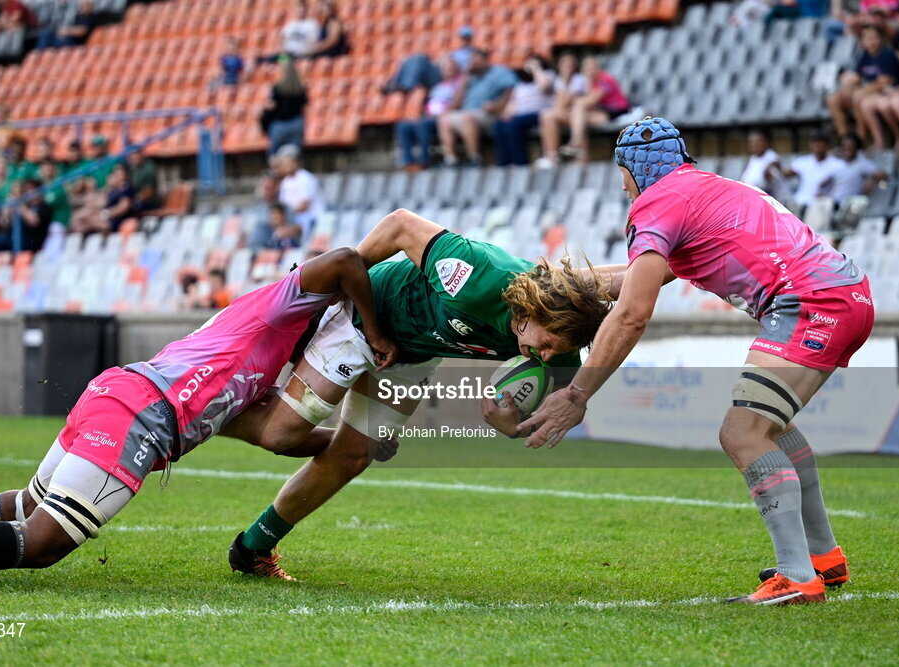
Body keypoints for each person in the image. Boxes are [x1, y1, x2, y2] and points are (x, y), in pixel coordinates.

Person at [519, 117, 871, 605]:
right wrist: (553, 282)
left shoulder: (656, 202)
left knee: (742, 434)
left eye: (621, 171)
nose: (621, 184)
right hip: (842, 293)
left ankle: (797, 576)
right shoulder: (700, 189)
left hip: (810, 304)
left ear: (635, 168)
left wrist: (578, 392)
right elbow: (638, 276)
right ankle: (822, 557)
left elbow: (633, 312)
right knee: (773, 429)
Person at [0, 248, 397, 579]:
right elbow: (347, 260)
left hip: (118, 395)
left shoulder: (266, 358)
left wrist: (355, 441)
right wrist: (373, 331)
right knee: (44, 543)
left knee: (31, 507)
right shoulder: (278, 304)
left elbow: (277, 438)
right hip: (143, 414)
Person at [218, 209, 614, 579]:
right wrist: (333, 290)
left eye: (555, 353)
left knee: (355, 454)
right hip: (362, 320)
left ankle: (253, 548)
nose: (546, 357)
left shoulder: (559, 349)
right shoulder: (482, 277)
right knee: (280, 435)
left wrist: (510, 427)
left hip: (413, 356)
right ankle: (202, 412)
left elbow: (553, 411)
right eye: (547, 344)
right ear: (533, 310)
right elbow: (401, 225)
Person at [437, 49, 519, 166]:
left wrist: (498, 105)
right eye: (473, 61)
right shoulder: (470, 77)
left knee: (467, 117)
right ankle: (451, 159)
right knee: (444, 119)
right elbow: (456, 104)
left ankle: (474, 158)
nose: (475, 64)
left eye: (478, 61)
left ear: (486, 60)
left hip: (490, 114)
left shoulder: (500, 72)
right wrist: (464, 80)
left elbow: (512, 91)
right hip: (468, 113)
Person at [827, 24, 899, 141]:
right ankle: (844, 137)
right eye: (866, 38)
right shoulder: (864, 56)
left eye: (873, 37)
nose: (870, 41)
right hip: (866, 90)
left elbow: (883, 82)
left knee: (858, 97)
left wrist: (860, 91)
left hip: (885, 92)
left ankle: (860, 137)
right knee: (833, 99)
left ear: (881, 38)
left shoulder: (887, 55)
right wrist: (849, 84)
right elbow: (858, 77)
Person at [394, 57, 463, 169]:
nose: (448, 71)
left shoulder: (459, 84)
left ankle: (424, 160)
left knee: (423, 125)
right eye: (446, 69)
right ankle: (408, 161)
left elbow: (457, 103)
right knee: (403, 126)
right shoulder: (437, 86)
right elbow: (427, 105)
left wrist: (442, 113)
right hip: (429, 116)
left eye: (451, 69)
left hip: (445, 116)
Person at [558, 57, 630, 163]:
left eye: (592, 68)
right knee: (579, 118)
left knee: (578, 111)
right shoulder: (590, 83)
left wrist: (576, 100)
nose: (590, 71)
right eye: (587, 69)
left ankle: (576, 144)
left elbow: (590, 101)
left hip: (617, 112)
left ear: (598, 68)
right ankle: (581, 154)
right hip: (603, 112)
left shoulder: (605, 79)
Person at [492, 55, 555, 167]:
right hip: (521, 115)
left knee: (514, 125)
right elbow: (514, 101)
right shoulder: (521, 84)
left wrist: (536, 69)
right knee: (499, 125)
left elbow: (544, 86)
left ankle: (520, 161)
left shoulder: (548, 75)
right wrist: (507, 113)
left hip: (539, 113)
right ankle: (503, 162)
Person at [535, 52, 588, 168]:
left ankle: (574, 151)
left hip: (581, 114)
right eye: (565, 64)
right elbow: (560, 105)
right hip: (568, 114)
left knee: (550, 115)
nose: (567, 66)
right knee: (546, 116)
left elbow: (568, 102)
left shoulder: (579, 79)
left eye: (570, 64)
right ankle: (551, 155)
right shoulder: (559, 80)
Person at [779, 131, 846, 210]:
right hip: (801, 203)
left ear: (828, 145)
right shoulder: (803, 161)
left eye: (820, 143)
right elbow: (785, 174)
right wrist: (776, 165)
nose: (817, 146)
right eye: (815, 143)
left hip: (822, 205)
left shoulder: (837, 164)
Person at [273, 144, 324, 239]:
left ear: (296, 162)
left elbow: (304, 206)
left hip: (312, 219)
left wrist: (286, 215)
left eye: (288, 161)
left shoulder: (305, 178)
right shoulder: (285, 181)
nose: (285, 165)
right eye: (283, 162)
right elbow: (282, 205)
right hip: (293, 219)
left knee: (285, 231)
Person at [261, 57, 308, 157]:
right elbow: (305, 104)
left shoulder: (277, 88)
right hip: (296, 123)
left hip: (280, 124)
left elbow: (271, 106)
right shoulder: (301, 88)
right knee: (294, 155)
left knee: (274, 155)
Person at [831, 133, 887, 204]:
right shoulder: (834, 162)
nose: (847, 149)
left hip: (852, 204)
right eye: (844, 146)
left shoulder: (862, 163)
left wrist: (871, 178)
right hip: (833, 202)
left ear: (857, 148)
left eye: (850, 146)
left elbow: (883, 175)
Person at [740, 129, 787, 200]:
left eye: (757, 141)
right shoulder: (753, 158)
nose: (753, 144)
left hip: (767, 198)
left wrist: (769, 172)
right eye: (751, 142)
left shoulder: (771, 156)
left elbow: (771, 176)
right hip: (750, 196)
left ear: (765, 142)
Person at [247, 170, 284, 250]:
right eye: (265, 186)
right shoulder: (255, 206)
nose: (268, 190)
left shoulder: (284, 207)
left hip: (272, 249)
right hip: (252, 248)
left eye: (271, 187)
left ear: (277, 187)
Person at [128, 148, 160, 214]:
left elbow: (149, 192)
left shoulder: (148, 168)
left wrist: (133, 200)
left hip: (148, 202)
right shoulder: (131, 168)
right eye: (132, 157)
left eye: (136, 155)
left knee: (133, 208)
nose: (135, 158)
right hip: (134, 199)